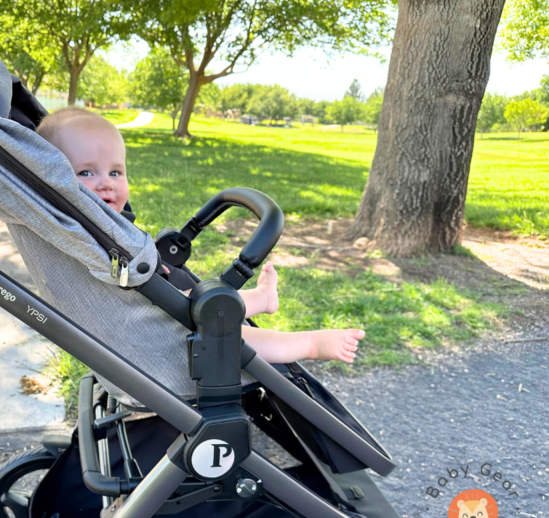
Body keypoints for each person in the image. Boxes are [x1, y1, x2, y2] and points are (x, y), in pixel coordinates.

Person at [36, 107, 364, 364]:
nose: (106, 183)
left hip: (155, 307)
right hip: (155, 338)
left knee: (200, 301)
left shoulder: (95, 222)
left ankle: (262, 300)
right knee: (219, 328)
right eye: (86, 172)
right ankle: (306, 344)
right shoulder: (82, 231)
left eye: (116, 172)